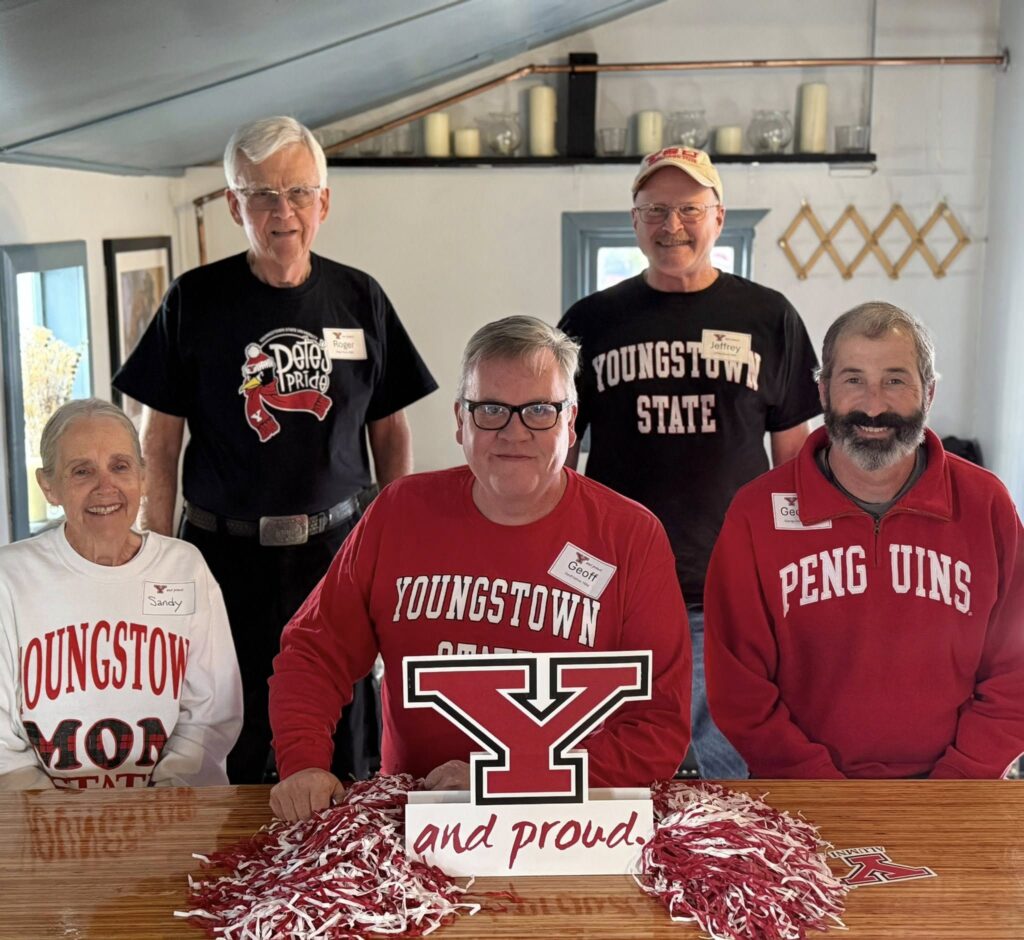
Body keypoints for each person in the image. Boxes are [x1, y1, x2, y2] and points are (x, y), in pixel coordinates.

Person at [113, 116, 437, 784]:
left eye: (297, 193)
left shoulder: (360, 297)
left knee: (341, 732)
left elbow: (390, 431)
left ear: (324, 202)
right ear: (234, 205)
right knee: (225, 729)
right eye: (261, 194)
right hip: (221, 559)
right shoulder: (194, 300)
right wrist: (152, 557)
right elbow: (160, 438)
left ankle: (339, 873)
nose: (281, 211)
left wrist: (395, 538)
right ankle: (235, 878)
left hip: (336, 555)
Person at [268, 316, 691, 821]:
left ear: (571, 422)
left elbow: (657, 726)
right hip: (416, 819)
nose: (514, 432)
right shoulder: (399, 512)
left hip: (571, 820)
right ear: (459, 419)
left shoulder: (630, 537)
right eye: (491, 409)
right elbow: (315, 653)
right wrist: (302, 763)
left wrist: (515, 779)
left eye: (539, 410)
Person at [558, 146, 821, 779]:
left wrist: (790, 575)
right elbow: (556, 457)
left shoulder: (769, 317)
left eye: (687, 208)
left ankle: (723, 875)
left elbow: (795, 463)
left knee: (723, 766)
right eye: (655, 209)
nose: (671, 224)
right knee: (619, 761)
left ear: (718, 218)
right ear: (634, 220)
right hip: (611, 585)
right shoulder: (591, 321)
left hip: (726, 586)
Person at [704, 302, 1024, 779]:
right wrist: (826, 791)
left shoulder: (986, 504)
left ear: (929, 393)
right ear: (823, 391)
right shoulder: (757, 512)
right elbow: (739, 687)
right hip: (804, 791)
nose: (873, 405)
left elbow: (1015, 673)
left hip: (956, 789)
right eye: (853, 379)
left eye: (895, 380)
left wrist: (955, 785)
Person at [0, 399, 242, 790]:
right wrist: (52, 814)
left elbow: (212, 713)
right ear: (49, 486)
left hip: (170, 819)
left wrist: (164, 800)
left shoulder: (184, 568)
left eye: (120, 466)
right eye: (82, 471)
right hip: (42, 829)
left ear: (142, 477)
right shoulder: (9, 578)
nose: (105, 487)